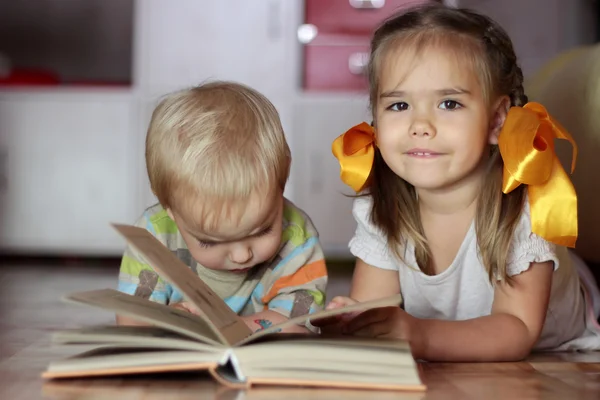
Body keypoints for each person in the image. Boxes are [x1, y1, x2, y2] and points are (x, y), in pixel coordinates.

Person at [319, 3, 600, 361]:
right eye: (399, 106)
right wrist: (352, 320)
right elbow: (372, 304)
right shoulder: (381, 209)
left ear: (498, 121)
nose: (421, 125)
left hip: (558, 346)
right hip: (452, 342)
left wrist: (417, 335)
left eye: (449, 104)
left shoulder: (525, 209)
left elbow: (516, 328)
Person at [116, 81, 327, 333]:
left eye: (261, 231)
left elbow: (299, 324)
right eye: (210, 242)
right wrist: (170, 321)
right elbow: (132, 320)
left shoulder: (296, 238)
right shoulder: (153, 237)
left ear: (282, 181)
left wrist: (228, 328)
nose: (241, 256)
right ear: (169, 210)